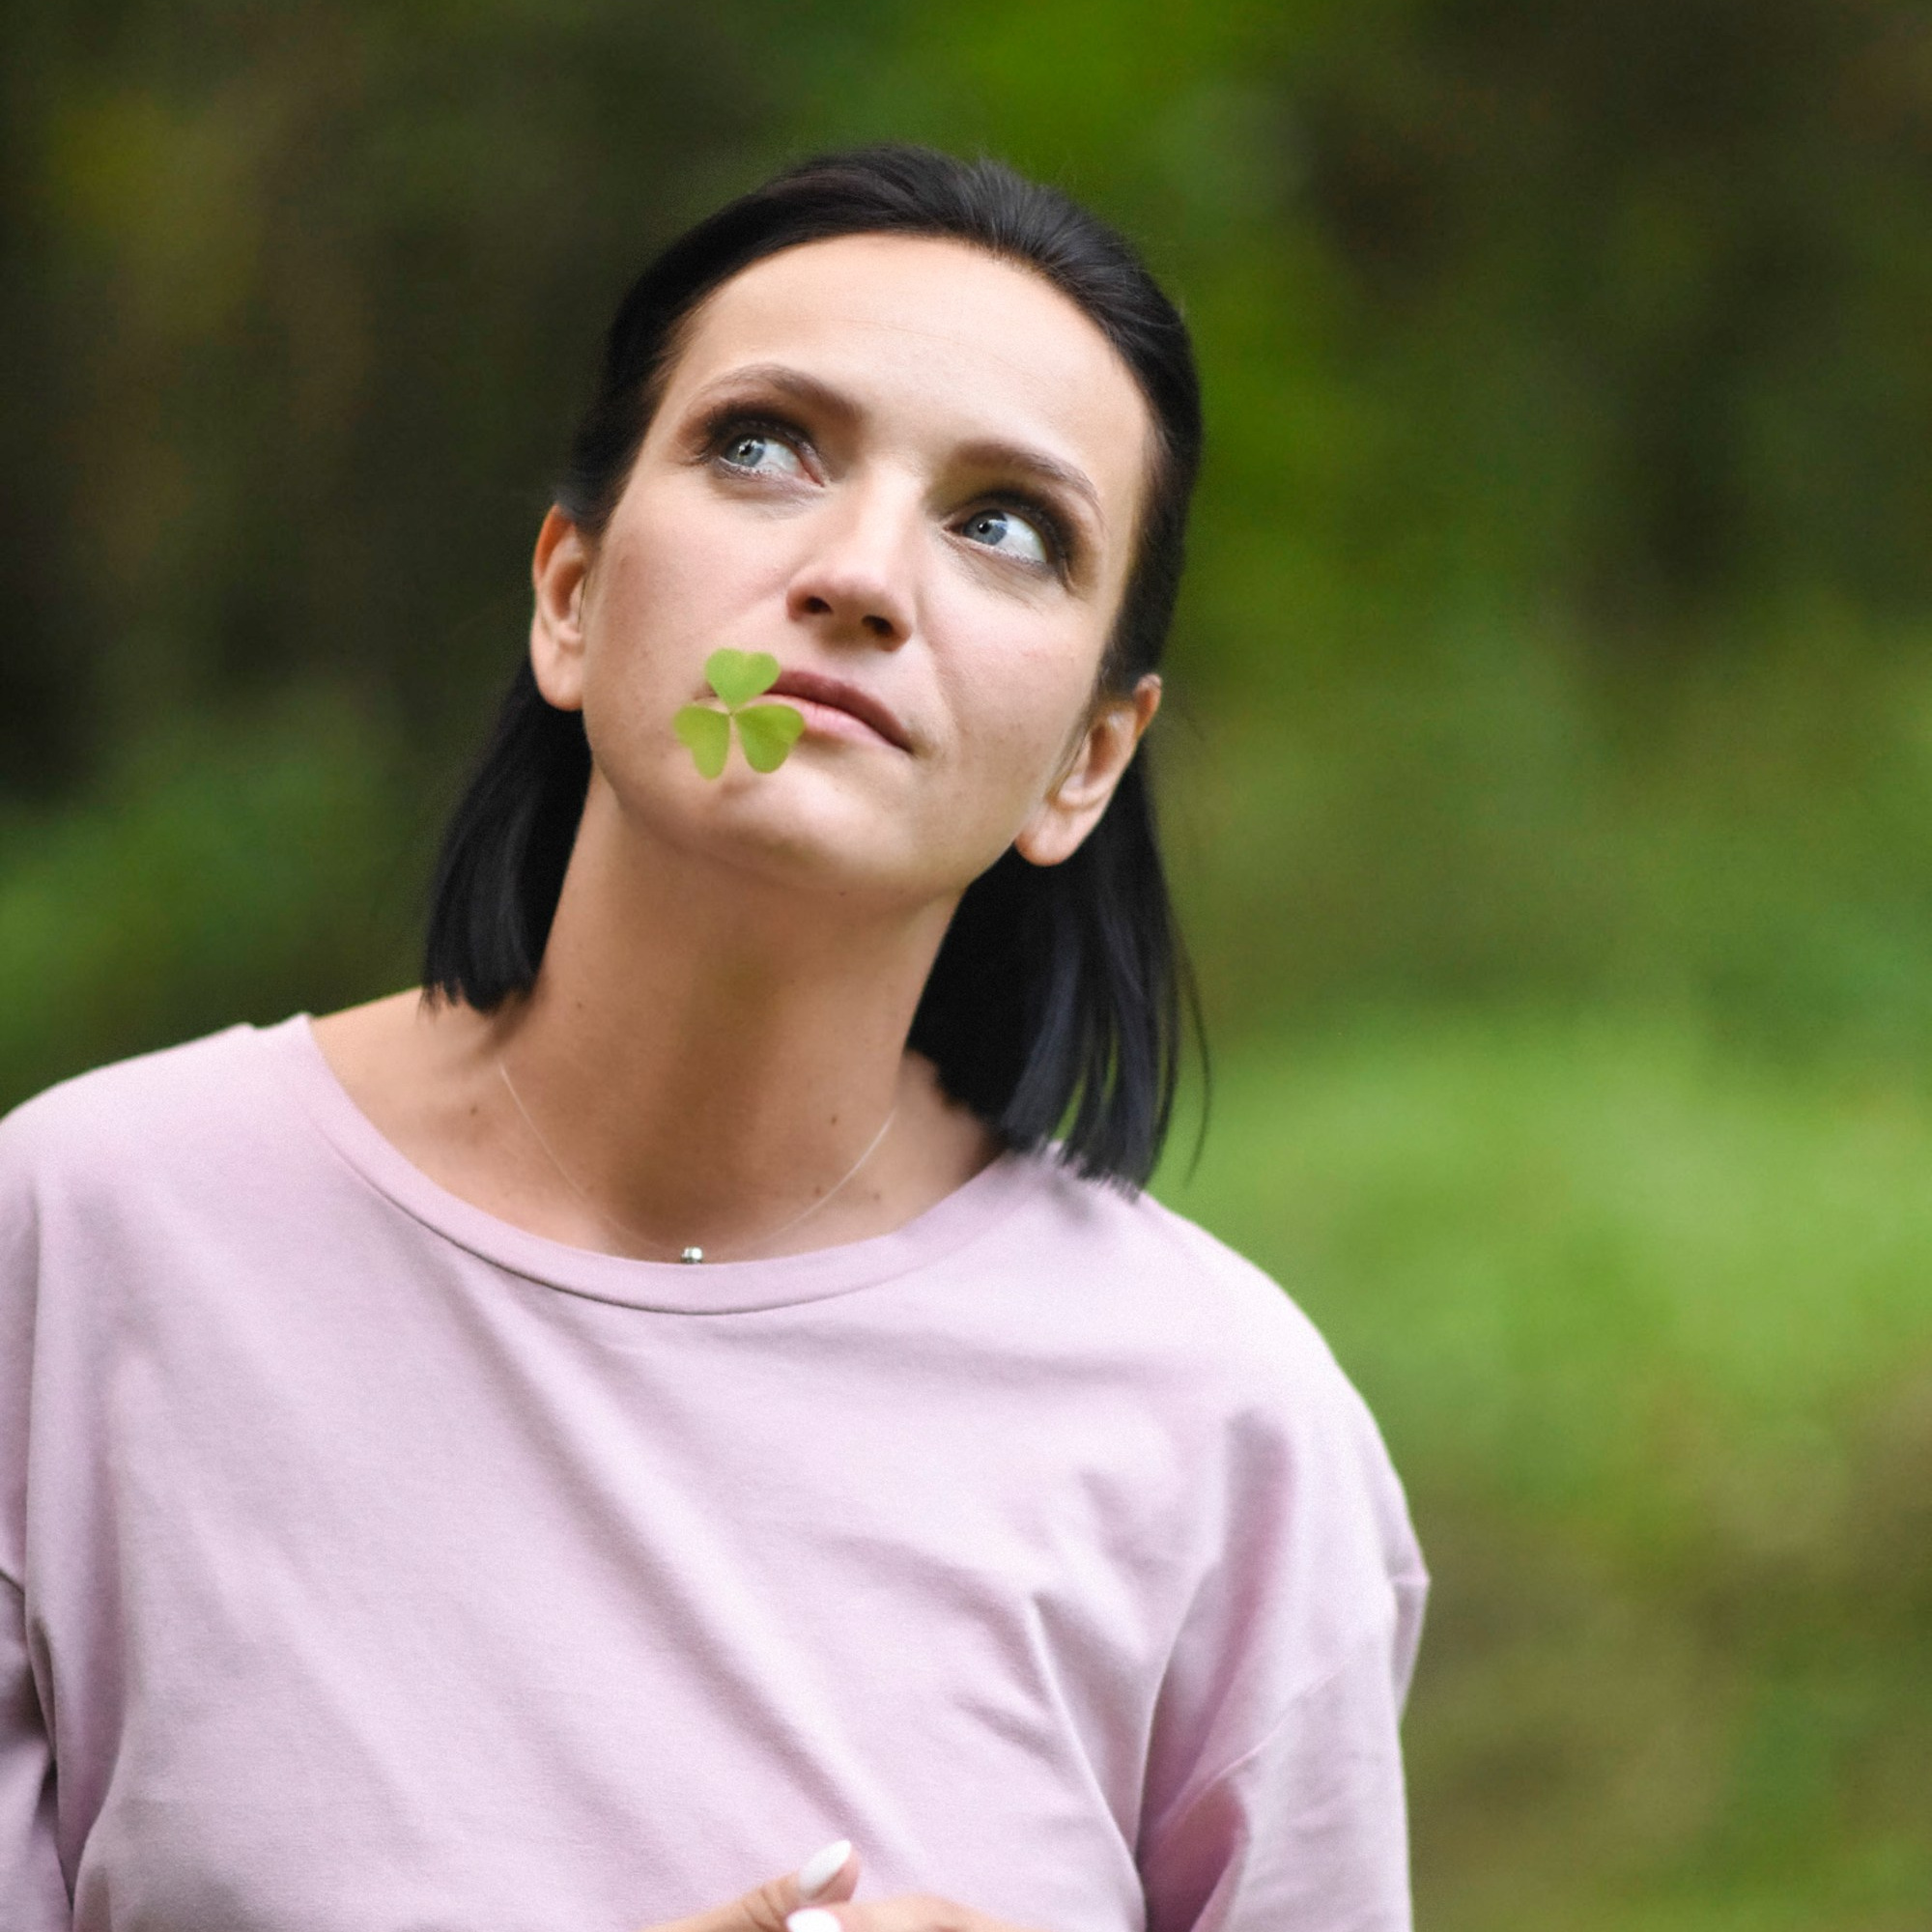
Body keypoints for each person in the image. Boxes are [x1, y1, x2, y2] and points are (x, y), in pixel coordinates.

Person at [0, 147, 1427, 1932]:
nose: (859, 574)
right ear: (572, 597)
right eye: (764, 446)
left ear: (1088, 761)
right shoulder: (83, 1235)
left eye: (1006, 526)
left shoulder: (1228, 1429)